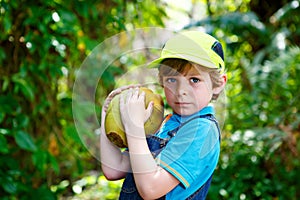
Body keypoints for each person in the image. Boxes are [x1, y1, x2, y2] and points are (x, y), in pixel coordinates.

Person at [100, 30, 227, 199]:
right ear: (162, 81)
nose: (181, 91)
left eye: (194, 80)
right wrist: (106, 116)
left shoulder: (202, 130)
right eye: (172, 80)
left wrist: (135, 128)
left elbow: (150, 188)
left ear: (218, 84)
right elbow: (114, 168)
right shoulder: (164, 124)